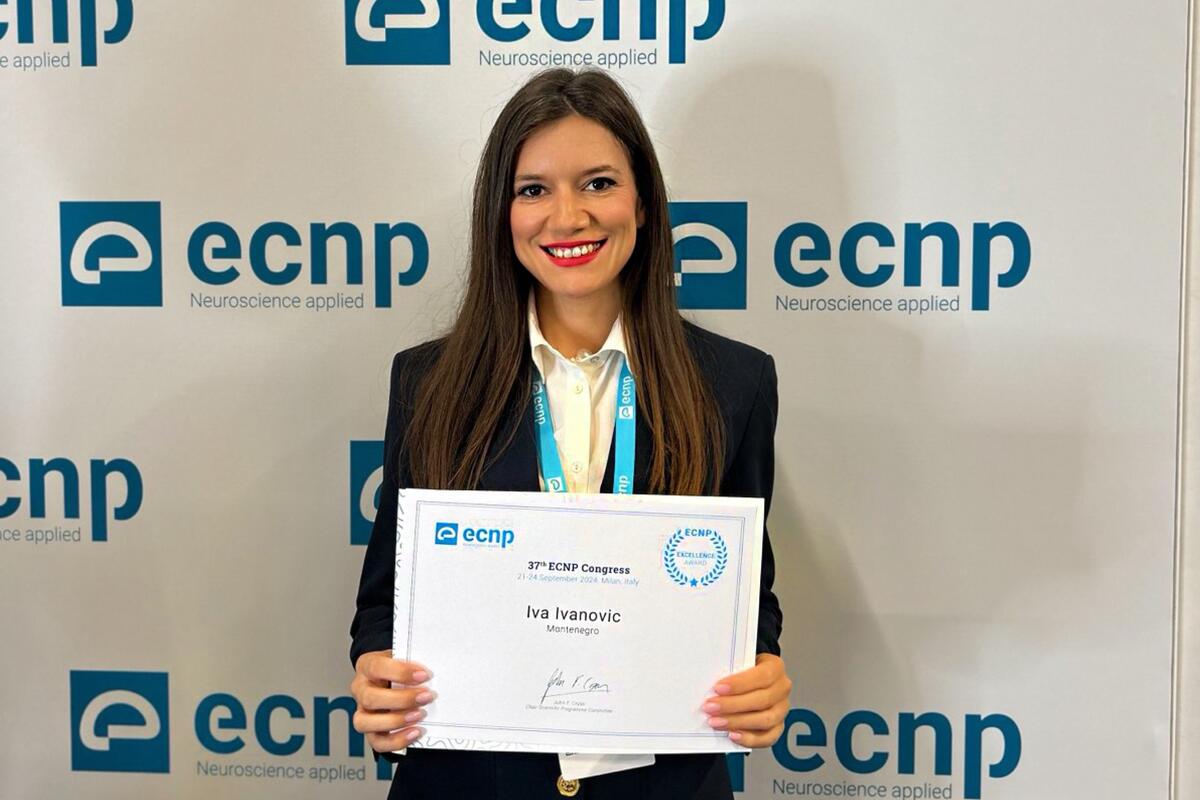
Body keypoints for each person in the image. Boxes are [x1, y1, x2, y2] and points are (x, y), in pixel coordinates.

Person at [349, 67, 791, 800]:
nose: (568, 217)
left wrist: (761, 669)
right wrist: (376, 668)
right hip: (470, 784)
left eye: (598, 184)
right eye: (533, 190)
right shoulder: (428, 383)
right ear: (501, 214)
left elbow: (747, 593)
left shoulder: (735, 383)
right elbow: (385, 601)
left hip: (662, 788)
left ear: (642, 202)